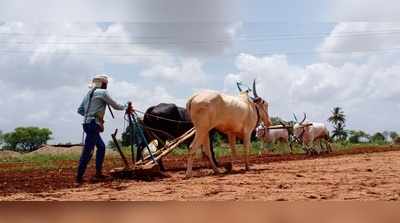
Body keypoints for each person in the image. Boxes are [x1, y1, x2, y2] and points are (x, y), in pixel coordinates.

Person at [76, 74, 129, 185]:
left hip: (86, 124)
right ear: (103, 84)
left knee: (101, 147)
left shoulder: (88, 94)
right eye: (106, 84)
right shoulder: (103, 93)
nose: (106, 86)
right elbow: (116, 106)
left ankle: (98, 173)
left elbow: (80, 110)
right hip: (94, 125)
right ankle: (79, 177)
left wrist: (89, 115)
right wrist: (126, 106)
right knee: (88, 151)